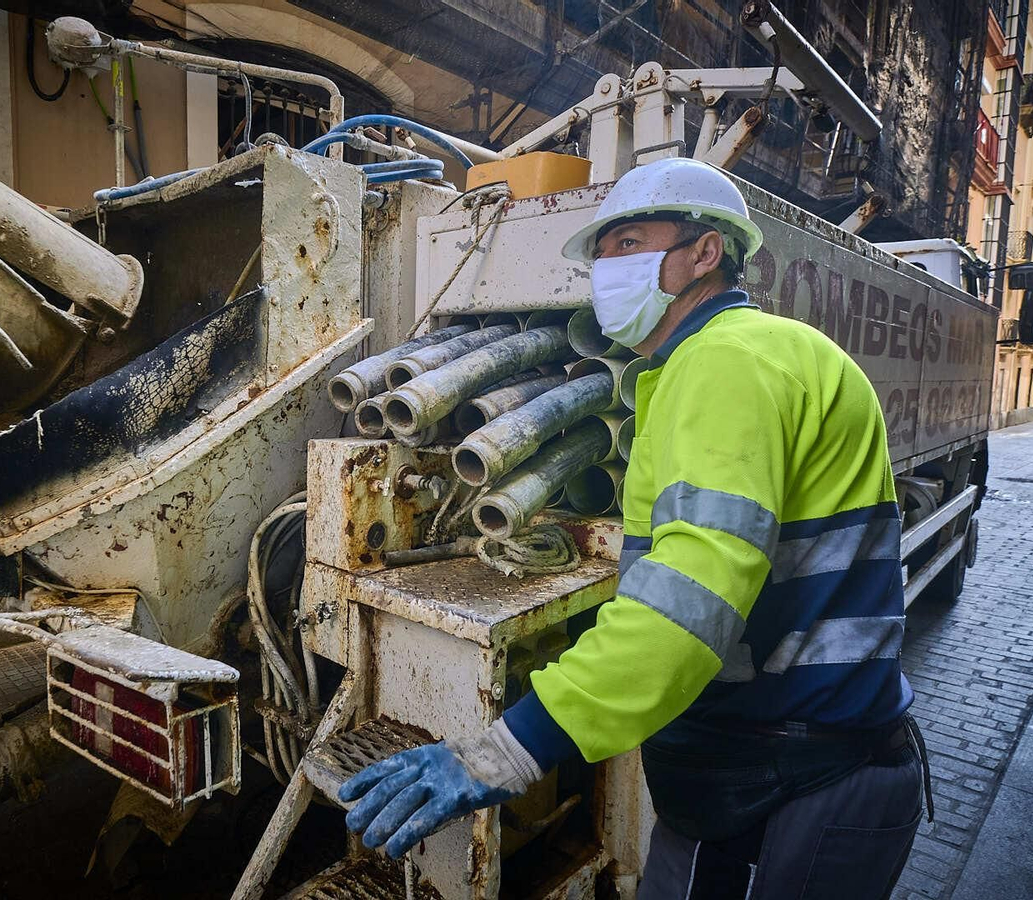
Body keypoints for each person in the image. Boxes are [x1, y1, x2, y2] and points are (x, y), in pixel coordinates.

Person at [339, 157, 928, 899]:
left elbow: (687, 608)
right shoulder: (768, 351)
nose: (606, 269)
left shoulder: (724, 365)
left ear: (706, 252)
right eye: (601, 254)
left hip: (788, 783)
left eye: (630, 244)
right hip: (784, 761)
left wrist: (505, 751)